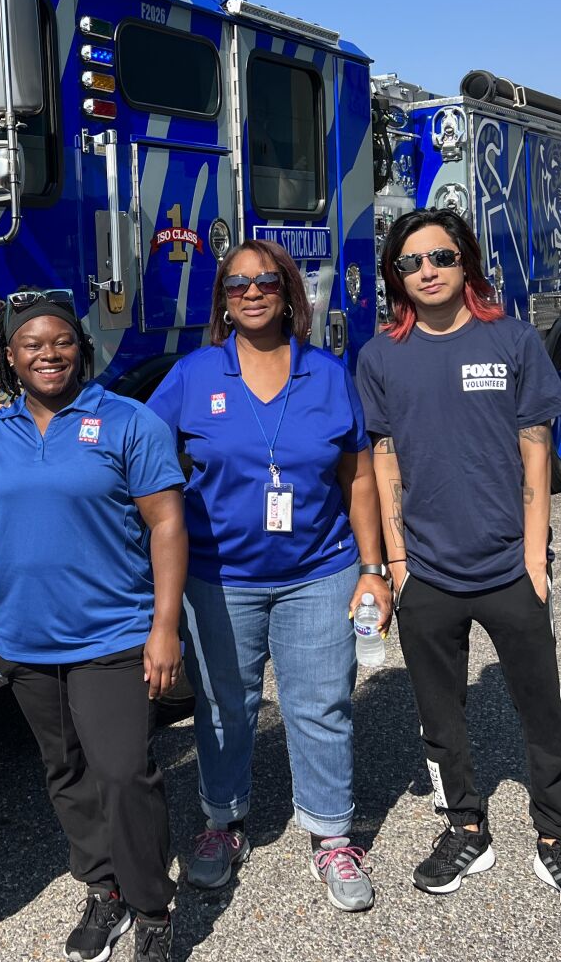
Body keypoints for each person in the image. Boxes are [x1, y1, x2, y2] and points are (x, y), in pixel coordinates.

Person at [0, 290, 187, 962]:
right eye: (32, 344)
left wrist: (165, 626)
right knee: (65, 768)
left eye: (61, 341)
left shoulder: (129, 422)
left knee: (124, 770)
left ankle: (152, 906)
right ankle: (104, 889)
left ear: (81, 347)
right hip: (20, 636)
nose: (49, 353)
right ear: (8, 357)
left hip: (113, 633)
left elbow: (167, 524)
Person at [356, 208, 561, 917]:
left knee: (541, 710)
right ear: (396, 278)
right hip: (427, 574)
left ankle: (558, 838)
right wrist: (398, 560)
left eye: (440, 255)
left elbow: (537, 443)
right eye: (411, 262)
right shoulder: (381, 356)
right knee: (439, 715)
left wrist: (536, 553)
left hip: (510, 566)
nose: (427, 270)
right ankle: (465, 825)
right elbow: (383, 458)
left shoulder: (511, 338)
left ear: (465, 261)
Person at [143, 239, 390, 912]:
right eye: (235, 284)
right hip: (219, 577)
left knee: (321, 704)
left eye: (265, 281)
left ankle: (332, 833)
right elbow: (137, 448)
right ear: (223, 299)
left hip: (321, 570)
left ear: (289, 292)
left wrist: (375, 568)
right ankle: (222, 823)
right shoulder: (194, 375)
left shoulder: (328, 373)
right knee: (224, 705)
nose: (251, 292)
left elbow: (359, 476)